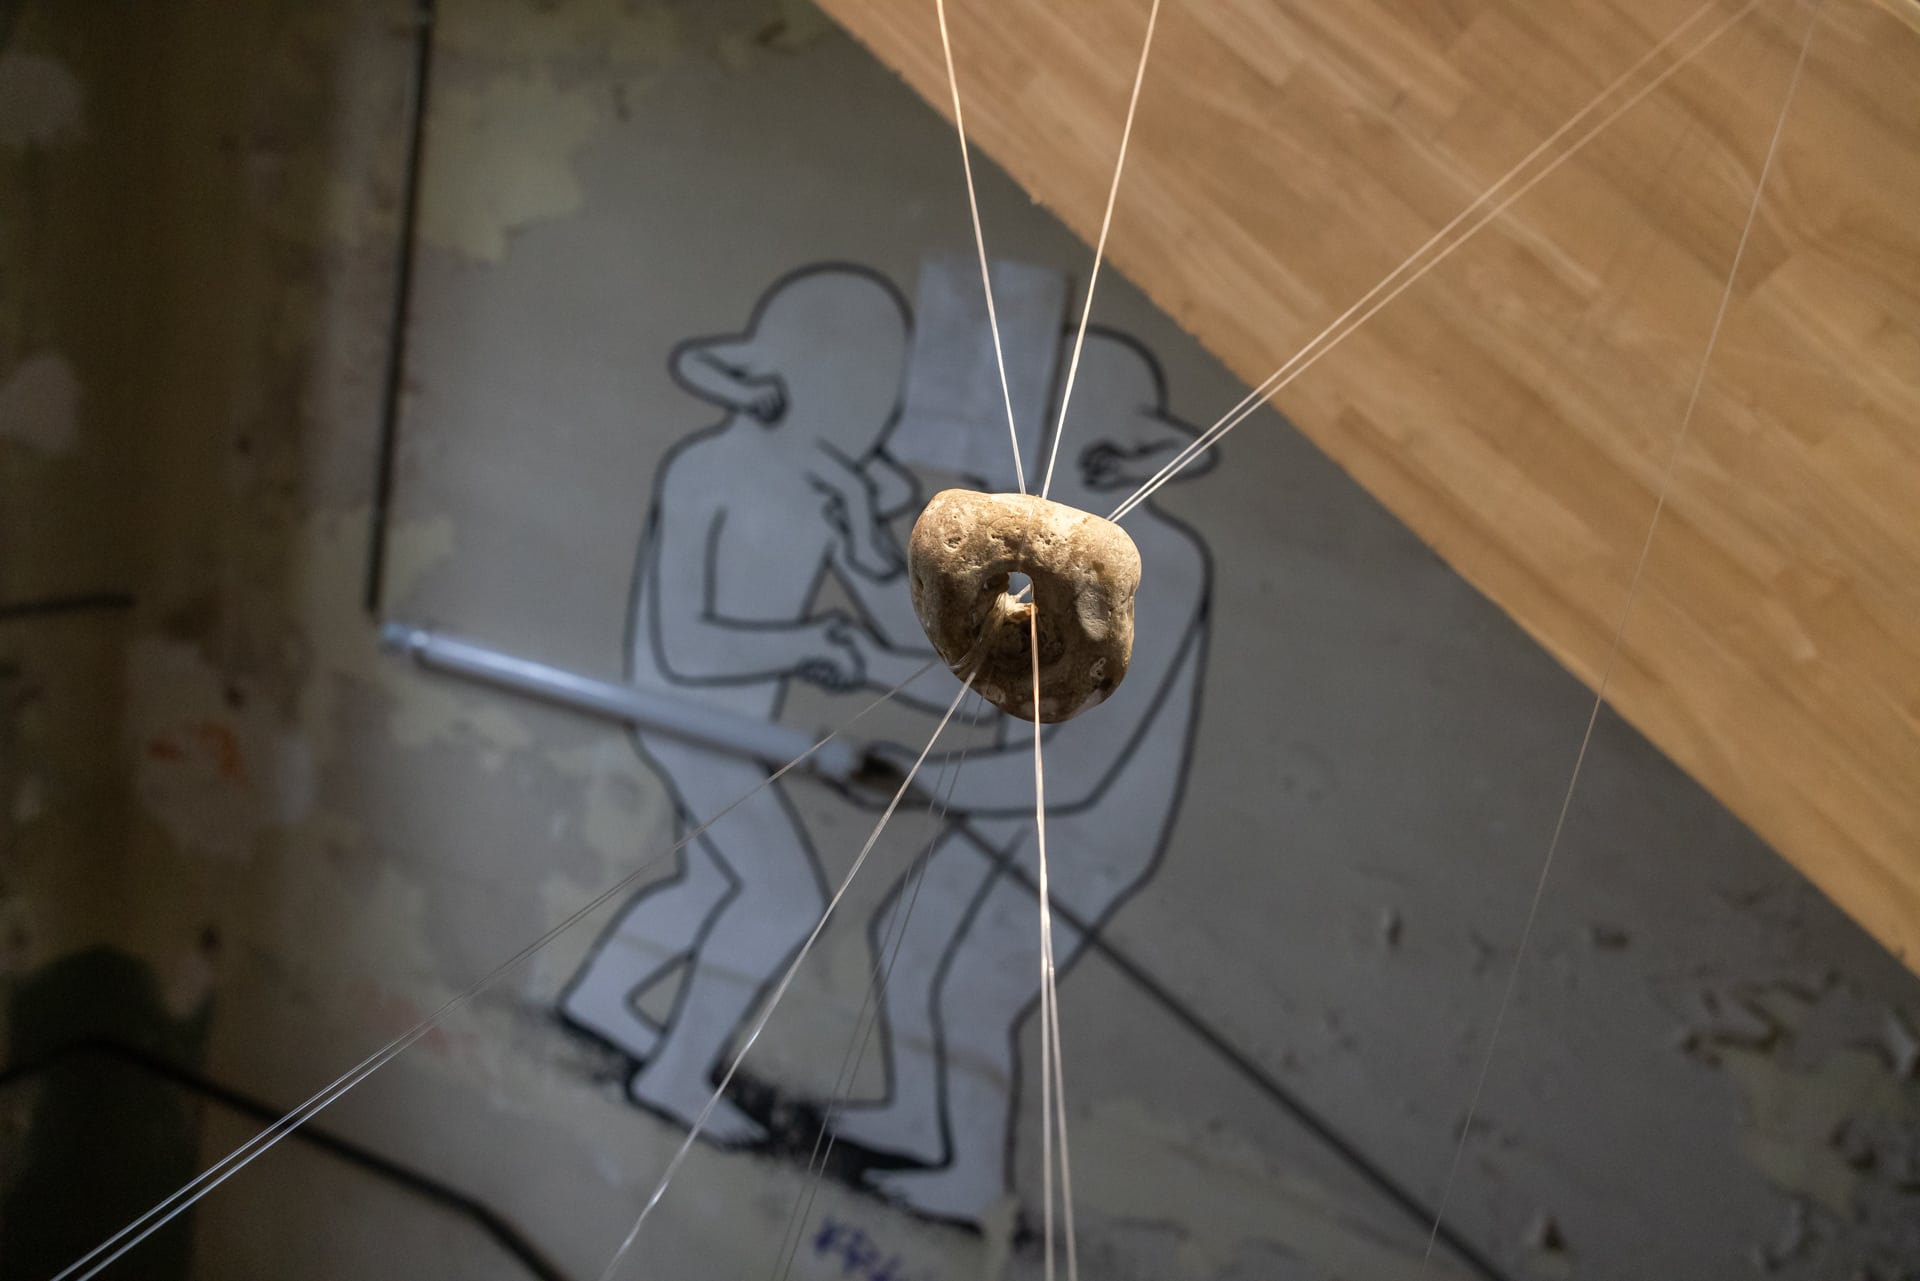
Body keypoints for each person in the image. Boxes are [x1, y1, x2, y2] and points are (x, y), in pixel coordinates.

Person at [831, 330, 1219, 1222]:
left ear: (1116, 449)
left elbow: (1081, 761)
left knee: (978, 984)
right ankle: (914, 1116)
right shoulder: (1037, 566)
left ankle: (972, 1172)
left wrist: (926, 783)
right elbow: (992, 660)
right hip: (1024, 785)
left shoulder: (1169, 559)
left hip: (1097, 822)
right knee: (906, 938)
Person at [559, 265, 935, 1142]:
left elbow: (906, 631)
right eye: (853, 398)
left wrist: (870, 548)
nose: (868, 424)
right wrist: (812, 645)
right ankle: (676, 1072)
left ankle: (602, 993)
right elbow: (685, 644)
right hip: (683, 712)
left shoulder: (827, 491)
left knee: (710, 878)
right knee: (781, 897)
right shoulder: (707, 472)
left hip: (739, 720)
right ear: (782, 383)